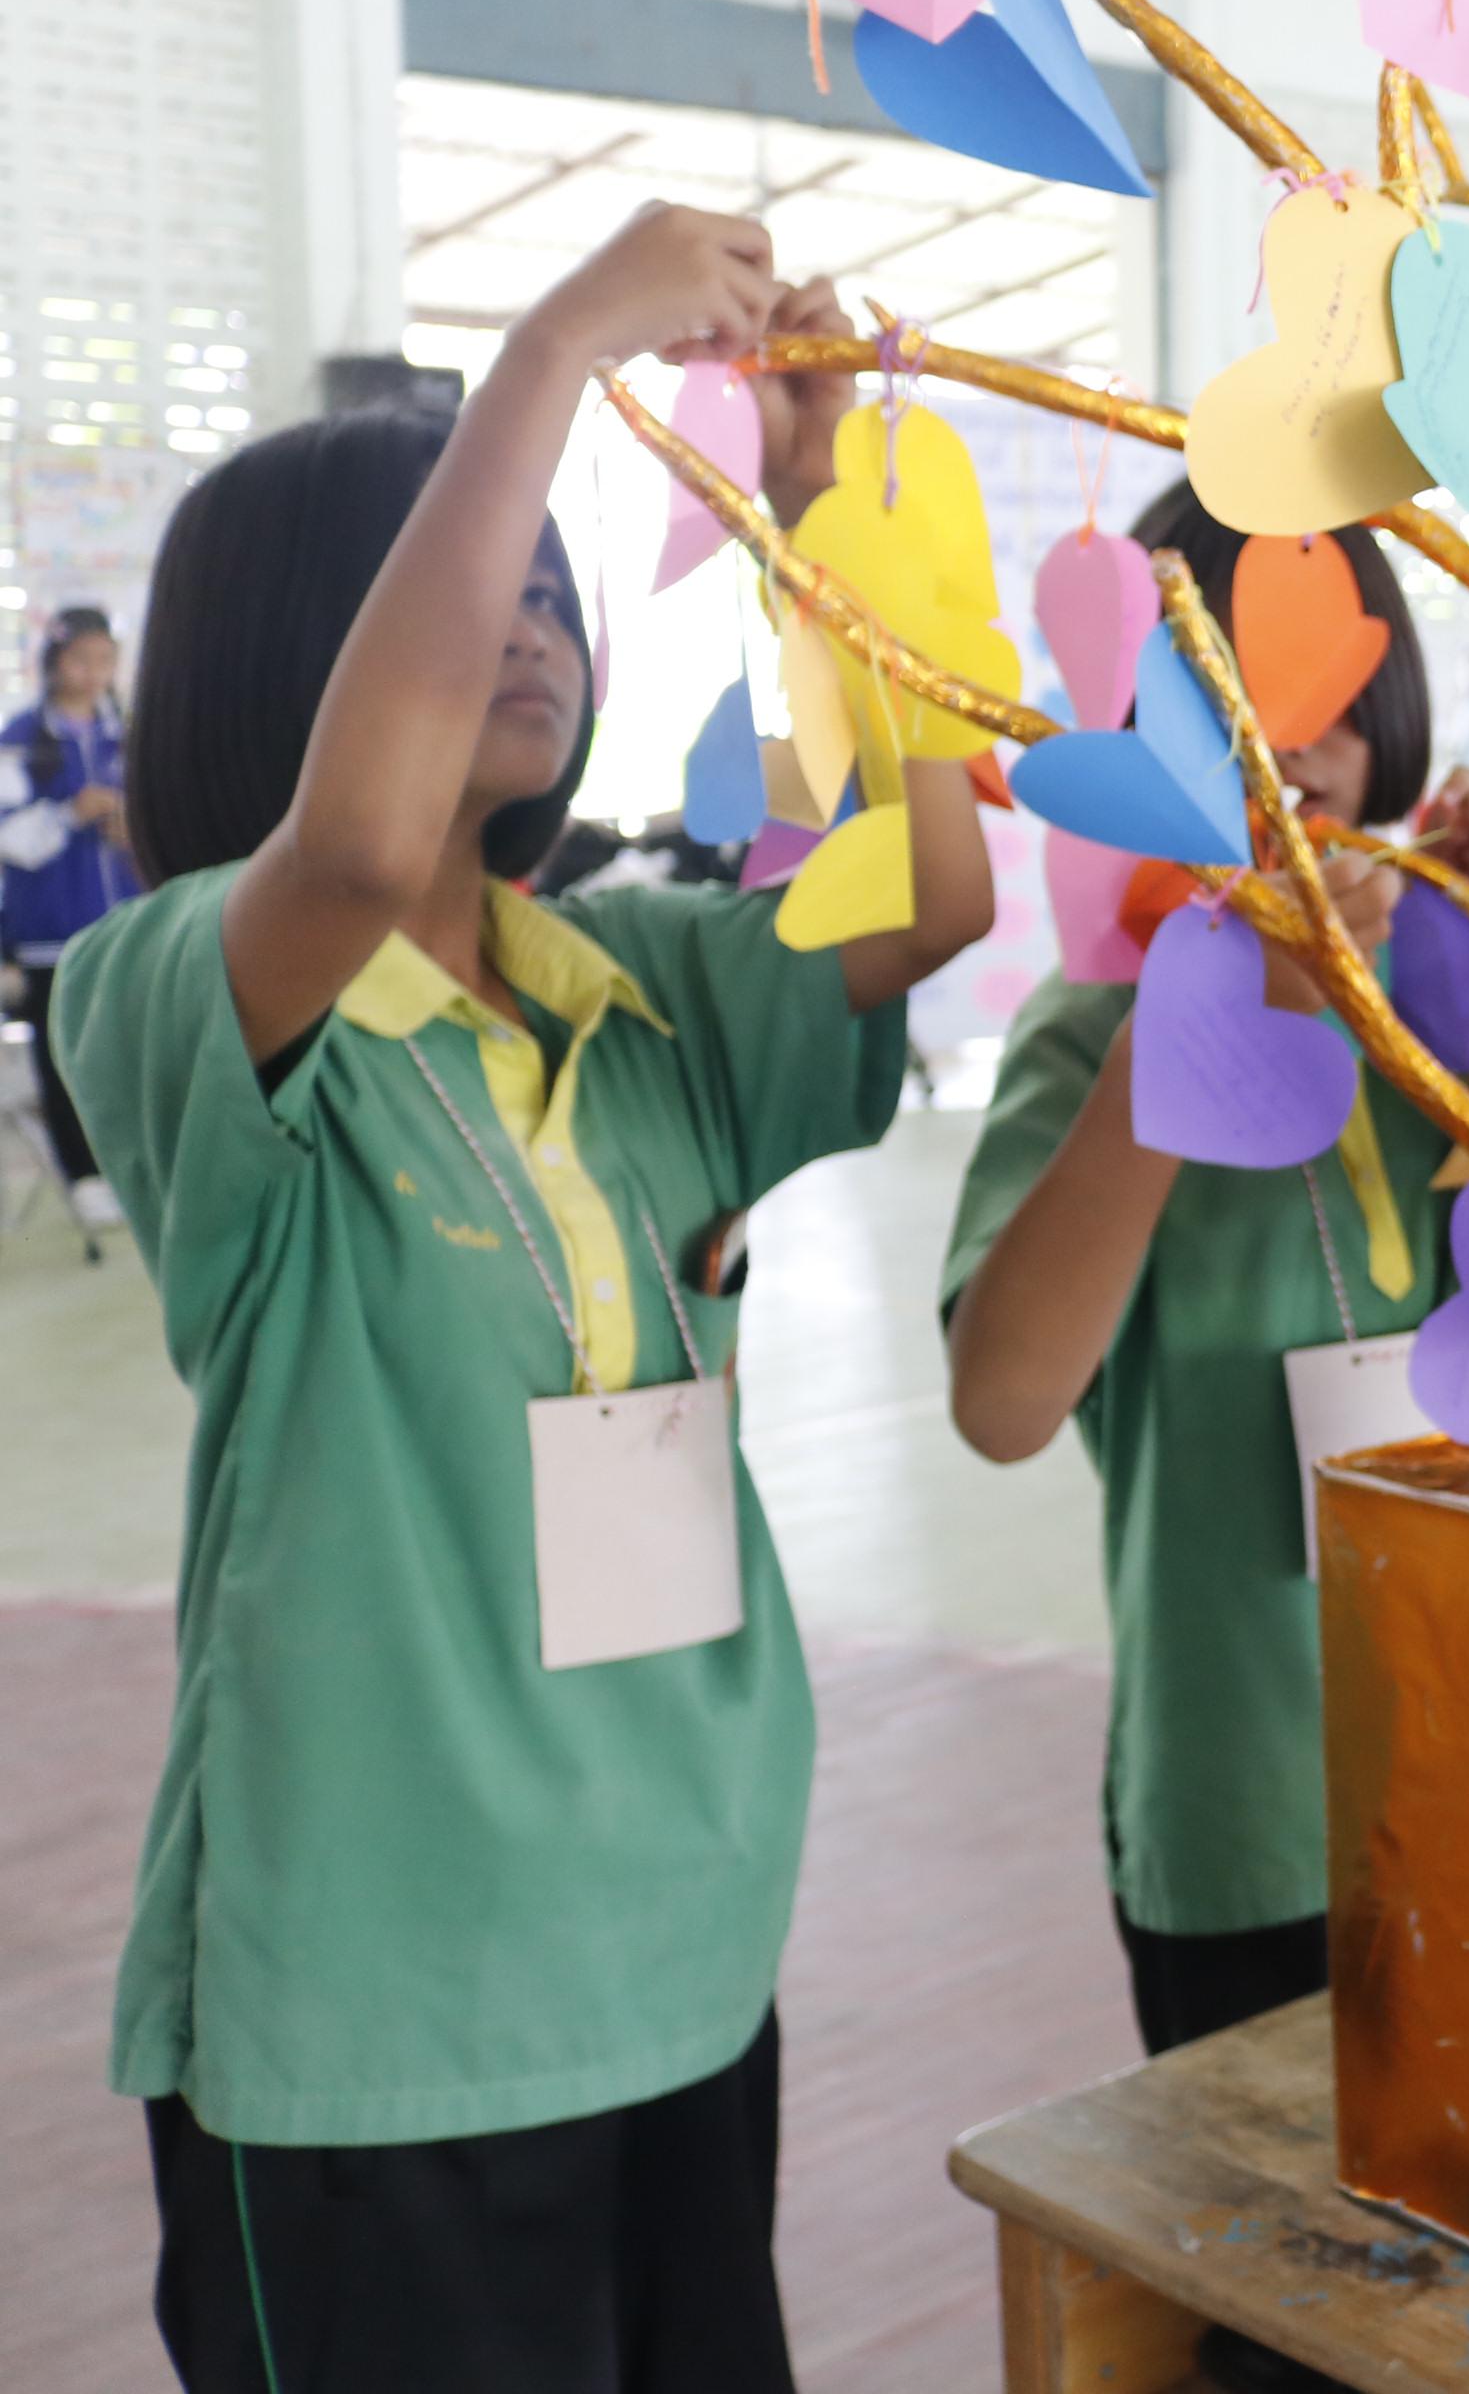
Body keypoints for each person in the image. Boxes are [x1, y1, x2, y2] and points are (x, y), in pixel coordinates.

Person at [62, 213, 996, 2393]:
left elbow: (931, 885)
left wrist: (815, 495)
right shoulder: (184, 987)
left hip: (677, 1948)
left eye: (563, 587)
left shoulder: (646, 980)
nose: (547, 619)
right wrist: (558, 350)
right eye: (492, 580)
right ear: (320, 638)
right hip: (375, 2021)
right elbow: (365, 852)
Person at [941, 504, 1451, 2118]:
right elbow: (1003, 1400)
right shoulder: (1091, 1030)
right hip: (1248, 1823)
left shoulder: (1439, 1003)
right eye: (1228, 681)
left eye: (1332, 675)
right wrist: (1205, 1023)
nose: (1288, 733)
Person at [2, 604, 139, 1226]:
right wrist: (68, 816)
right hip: (52, 935)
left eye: (104, 660)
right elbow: (10, 840)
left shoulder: (129, 733)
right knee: (62, 1056)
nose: (92, 673)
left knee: (132, 1046)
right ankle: (82, 1172)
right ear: (54, 662)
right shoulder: (22, 742)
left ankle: (135, 1162)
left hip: (131, 927)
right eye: (80, 659)